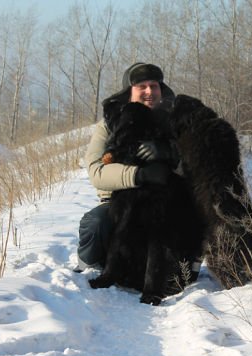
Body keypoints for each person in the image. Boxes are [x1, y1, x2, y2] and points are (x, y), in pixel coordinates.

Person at [76, 62, 201, 282]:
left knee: (198, 214)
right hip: (120, 201)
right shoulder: (109, 124)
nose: (149, 92)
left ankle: (187, 268)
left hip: (166, 201)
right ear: (129, 91)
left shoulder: (177, 122)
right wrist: (138, 175)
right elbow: (96, 172)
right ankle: (90, 265)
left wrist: (170, 154)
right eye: (141, 86)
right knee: (95, 222)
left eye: (154, 85)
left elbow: (199, 169)